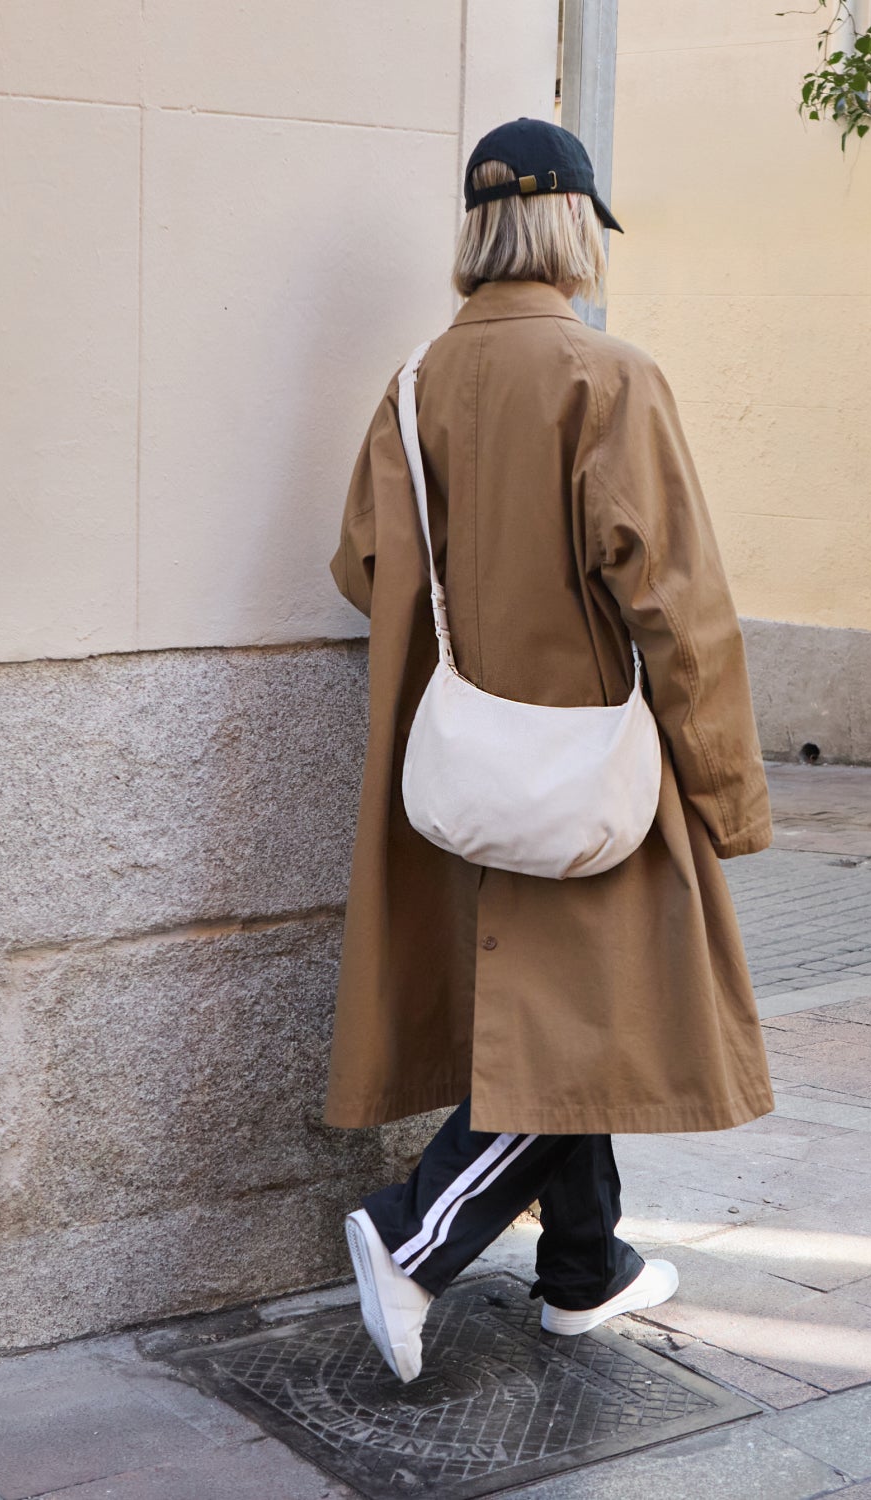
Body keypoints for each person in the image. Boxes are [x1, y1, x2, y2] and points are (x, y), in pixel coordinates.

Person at [325, 117, 775, 1383]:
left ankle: (586, 1269)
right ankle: (413, 1236)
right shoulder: (609, 378)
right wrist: (728, 794)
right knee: (590, 1021)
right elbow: (678, 605)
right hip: (592, 767)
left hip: (464, 764)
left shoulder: (413, 385)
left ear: (477, 233)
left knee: (569, 1013)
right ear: (574, 226)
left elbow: (363, 568)